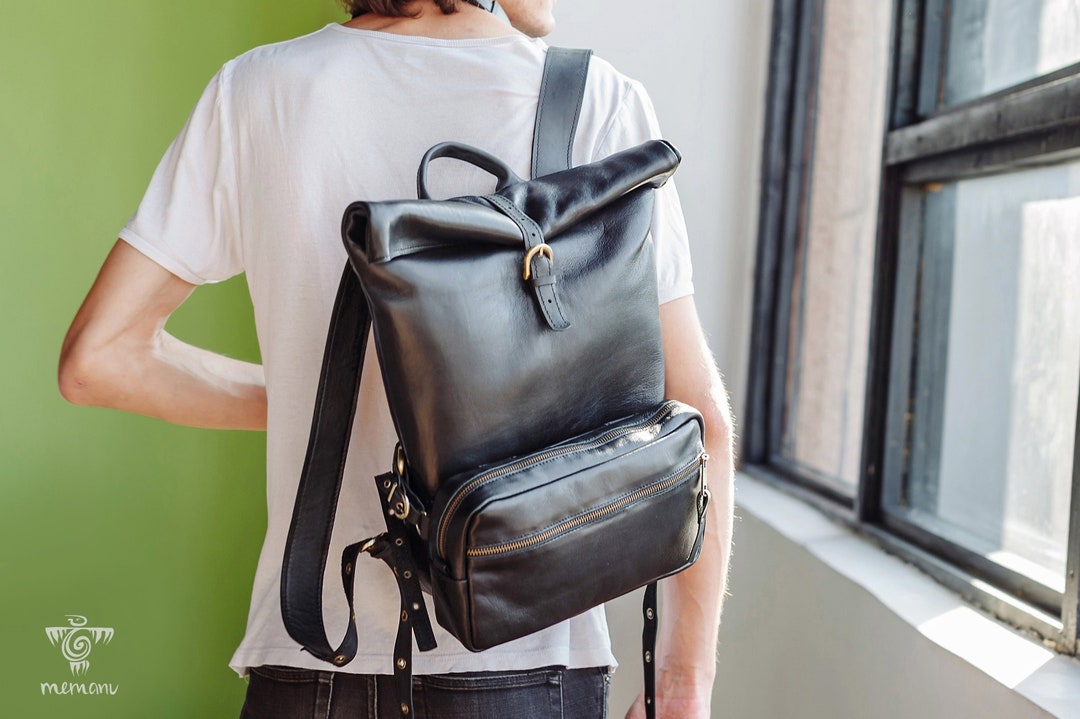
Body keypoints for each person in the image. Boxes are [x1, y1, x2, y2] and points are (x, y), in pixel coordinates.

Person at [57, 1, 735, 717]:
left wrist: (312, 405)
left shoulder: (259, 91)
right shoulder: (598, 102)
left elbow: (97, 357)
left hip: (314, 654)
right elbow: (698, 419)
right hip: (533, 667)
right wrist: (683, 687)